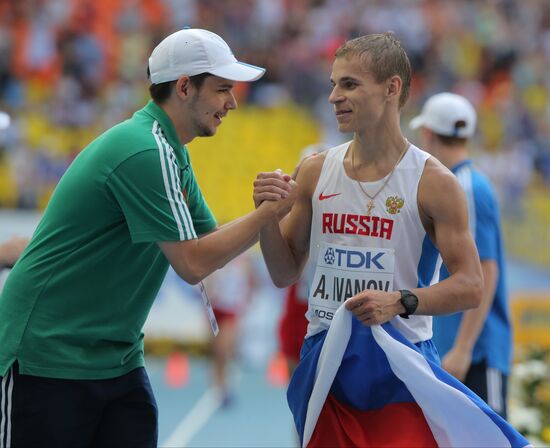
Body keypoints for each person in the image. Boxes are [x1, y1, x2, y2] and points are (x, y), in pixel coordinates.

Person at [0, 28, 296, 447]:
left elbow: (213, 242)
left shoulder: (171, 150)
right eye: (223, 89)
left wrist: (270, 213)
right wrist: (268, 212)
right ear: (184, 87)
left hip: (113, 357)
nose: (232, 102)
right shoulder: (145, 150)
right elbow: (193, 263)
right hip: (48, 356)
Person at [254, 32, 485, 445]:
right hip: (326, 365)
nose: (334, 97)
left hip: (399, 368)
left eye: (350, 84)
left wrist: (400, 301)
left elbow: (470, 285)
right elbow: (285, 272)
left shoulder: (433, 183)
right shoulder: (315, 170)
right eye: (333, 84)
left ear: (391, 88)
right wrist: (267, 217)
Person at [409, 92, 512, 418]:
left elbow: (487, 270)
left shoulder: (463, 186)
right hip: (458, 347)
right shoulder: (461, 183)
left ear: (427, 133)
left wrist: (464, 348)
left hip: (473, 351)